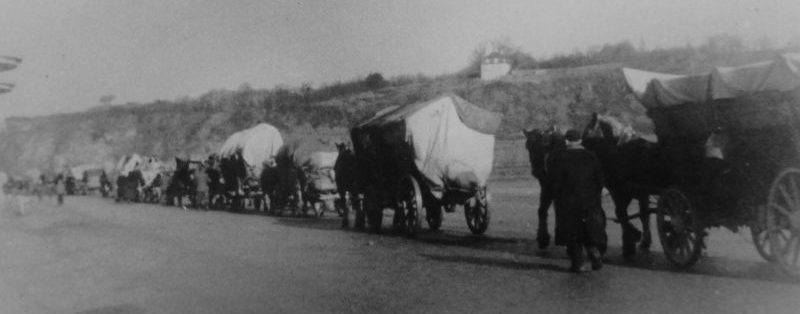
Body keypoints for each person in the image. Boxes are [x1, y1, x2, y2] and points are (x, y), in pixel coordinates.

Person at [550, 129, 607, 273]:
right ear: (580, 141)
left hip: (569, 202)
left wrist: (556, 197)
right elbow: (600, 179)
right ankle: (595, 255)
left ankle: (578, 263)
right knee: (590, 228)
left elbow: (556, 182)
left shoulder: (560, 157)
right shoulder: (591, 156)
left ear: (566, 141)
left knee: (572, 232)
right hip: (590, 200)